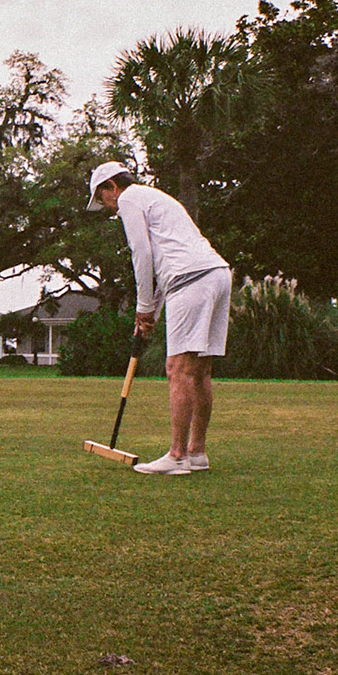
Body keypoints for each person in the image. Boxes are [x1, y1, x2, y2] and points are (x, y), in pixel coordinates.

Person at [88, 162, 231, 474]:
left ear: (113, 186)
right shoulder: (156, 197)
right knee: (200, 370)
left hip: (190, 279)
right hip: (216, 274)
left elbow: (142, 254)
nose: (109, 208)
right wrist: (153, 310)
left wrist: (143, 307)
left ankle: (177, 455)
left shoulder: (128, 200)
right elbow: (168, 258)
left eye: (104, 198)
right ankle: (197, 452)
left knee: (177, 369)